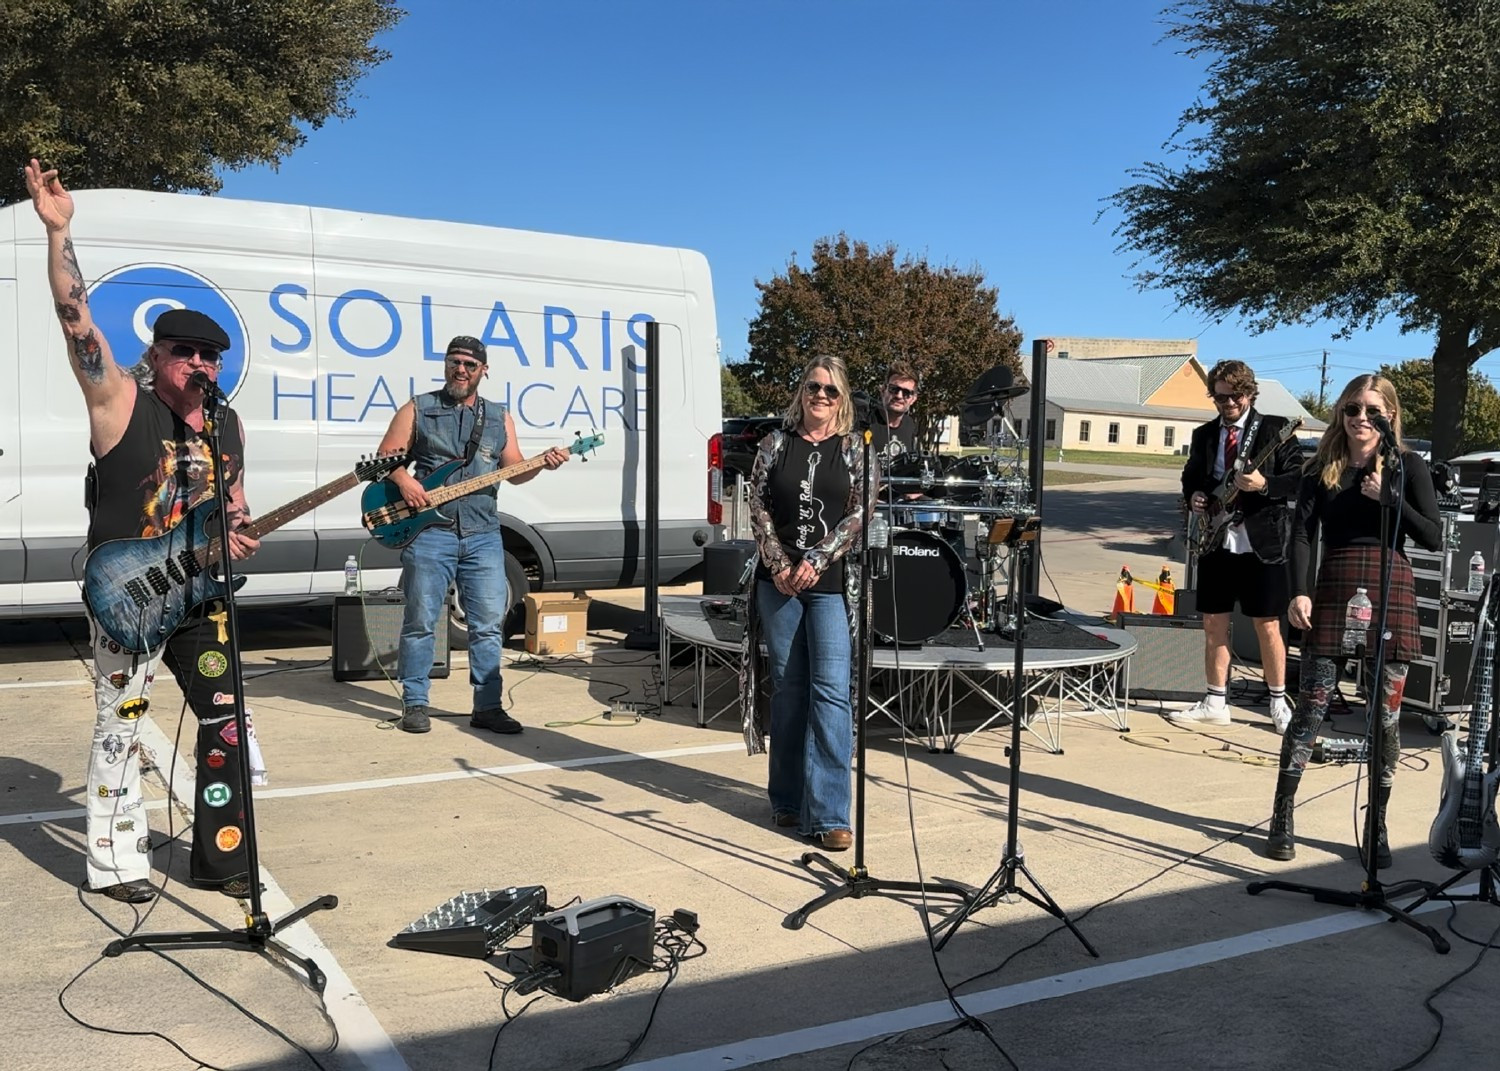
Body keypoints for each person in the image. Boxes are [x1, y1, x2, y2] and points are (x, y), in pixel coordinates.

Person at [25, 159, 262, 903]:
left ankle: (221, 857)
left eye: (209, 354)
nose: (198, 362)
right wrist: (60, 231)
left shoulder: (227, 425)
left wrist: (240, 529)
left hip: (198, 592)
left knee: (227, 723)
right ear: (157, 357)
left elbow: (235, 504)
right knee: (122, 724)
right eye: (184, 351)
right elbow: (77, 324)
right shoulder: (121, 403)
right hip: (128, 592)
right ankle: (116, 860)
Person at [1267, 374, 1442, 864]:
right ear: (1341, 415)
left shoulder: (1408, 466)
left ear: (1389, 415)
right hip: (1336, 581)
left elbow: (1433, 536)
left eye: (1371, 410)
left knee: (1385, 718)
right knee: (1312, 706)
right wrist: (1297, 592)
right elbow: (1300, 535)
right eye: (1351, 410)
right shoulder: (1319, 467)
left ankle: (1377, 823)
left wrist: (1389, 498)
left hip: (1392, 583)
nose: (1360, 419)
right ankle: (1283, 812)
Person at [376, 336, 570, 735]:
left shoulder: (499, 418)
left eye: (469, 364)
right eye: (454, 362)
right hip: (431, 532)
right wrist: (406, 483)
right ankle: (415, 703)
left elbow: (514, 470)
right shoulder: (419, 408)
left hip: (483, 534)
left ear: (484, 370)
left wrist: (543, 465)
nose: (460, 370)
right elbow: (385, 459)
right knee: (421, 621)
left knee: (486, 625)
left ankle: (487, 706)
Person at [739, 355, 867, 851]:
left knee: (831, 693)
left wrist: (815, 560)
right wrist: (778, 562)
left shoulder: (856, 449)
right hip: (780, 584)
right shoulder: (775, 443)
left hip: (831, 584)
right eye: (814, 387)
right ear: (802, 391)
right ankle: (788, 800)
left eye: (831, 390)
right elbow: (758, 505)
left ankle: (830, 813)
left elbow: (859, 515)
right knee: (790, 690)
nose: (821, 396)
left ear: (843, 398)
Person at [1173, 360, 1304, 732]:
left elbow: (1297, 481)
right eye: (1219, 396)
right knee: (1214, 622)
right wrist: (1195, 495)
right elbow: (1191, 476)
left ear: (1249, 393)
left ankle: (1278, 703)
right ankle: (1215, 700)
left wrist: (1264, 484)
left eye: (1234, 396)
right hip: (1217, 538)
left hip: (1261, 541)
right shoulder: (1204, 435)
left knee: (1267, 625)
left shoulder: (1275, 430)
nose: (1227, 403)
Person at [869, 363, 921, 463]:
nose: (899, 396)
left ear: (913, 399)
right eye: (894, 389)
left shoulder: (910, 425)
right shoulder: (865, 421)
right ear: (883, 390)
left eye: (906, 393)